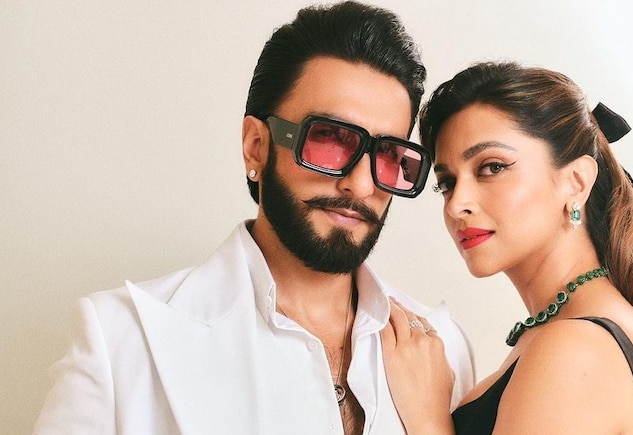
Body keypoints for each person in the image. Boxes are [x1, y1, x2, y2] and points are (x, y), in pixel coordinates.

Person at [33, 2, 475, 434]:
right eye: (329, 139)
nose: (360, 186)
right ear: (256, 147)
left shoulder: (441, 348)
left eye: (389, 154)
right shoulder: (121, 340)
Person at [380, 61, 633, 434]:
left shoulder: (576, 349)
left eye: (492, 167)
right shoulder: (582, 330)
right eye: (447, 182)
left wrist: (427, 418)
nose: (456, 204)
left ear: (576, 182)